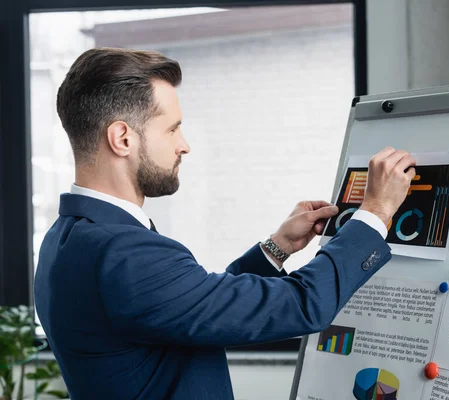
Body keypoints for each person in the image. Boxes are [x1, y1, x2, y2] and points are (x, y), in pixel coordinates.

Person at [33, 47, 416, 400]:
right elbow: (303, 306)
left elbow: (193, 307)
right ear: (122, 138)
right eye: (171, 129)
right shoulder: (126, 253)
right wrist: (376, 212)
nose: (184, 145)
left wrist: (277, 246)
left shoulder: (66, 237)